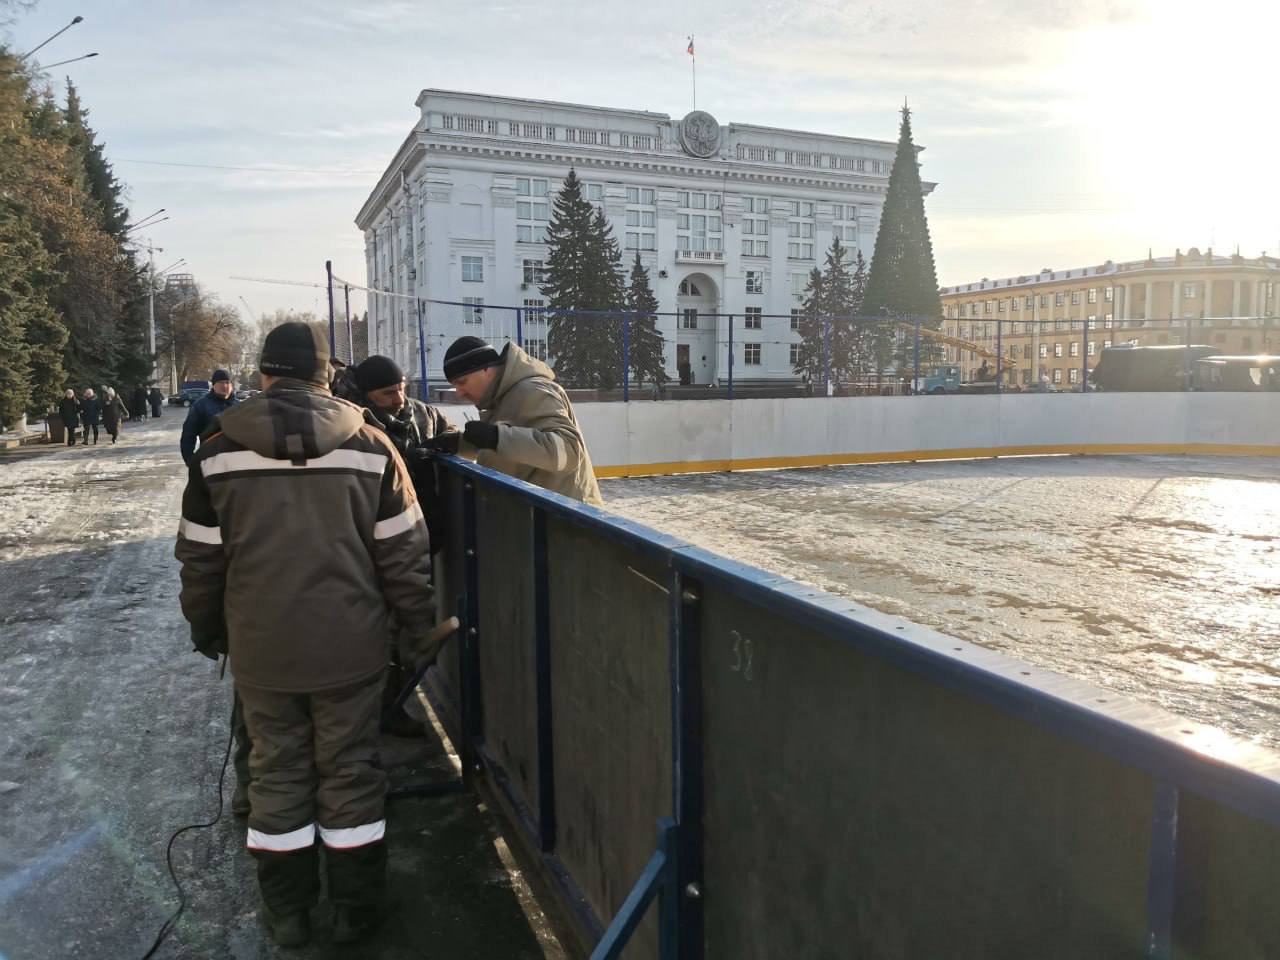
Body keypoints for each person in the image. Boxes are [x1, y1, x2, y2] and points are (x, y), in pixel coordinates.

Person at [175, 322, 435, 946]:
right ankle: (356, 911)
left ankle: (288, 914)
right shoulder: (372, 448)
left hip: (264, 652)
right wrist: (416, 630)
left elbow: (200, 560)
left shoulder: (215, 452)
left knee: (277, 772)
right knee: (350, 771)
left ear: (264, 373)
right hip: (352, 648)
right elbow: (405, 555)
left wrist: (209, 629)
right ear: (325, 377)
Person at [346, 354, 458, 738]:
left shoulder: (423, 415)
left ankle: (391, 706)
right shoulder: (353, 424)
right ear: (366, 394)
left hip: (420, 536)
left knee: (405, 630)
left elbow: (455, 439)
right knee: (379, 633)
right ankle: (374, 711)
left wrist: (452, 443)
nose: (398, 398)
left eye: (401, 388)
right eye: (387, 392)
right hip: (373, 545)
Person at [438, 336, 602, 506]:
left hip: (567, 521)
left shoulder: (532, 390)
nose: (459, 392)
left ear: (486, 369)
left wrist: (496, 437)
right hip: (538, 517)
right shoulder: (501, 397)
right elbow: (514, 445)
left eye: (462, 382)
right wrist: (459, 443)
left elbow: (569, 450)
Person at [180, 369, 238, 466]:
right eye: (220, 383)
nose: (224, 386)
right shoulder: (200, 406)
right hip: (210, 461)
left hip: (235, 462)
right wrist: (190, 461)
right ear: (213, 385)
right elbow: (188, 435)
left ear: (231, 385)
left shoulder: (239, 406)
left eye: (227, 383)